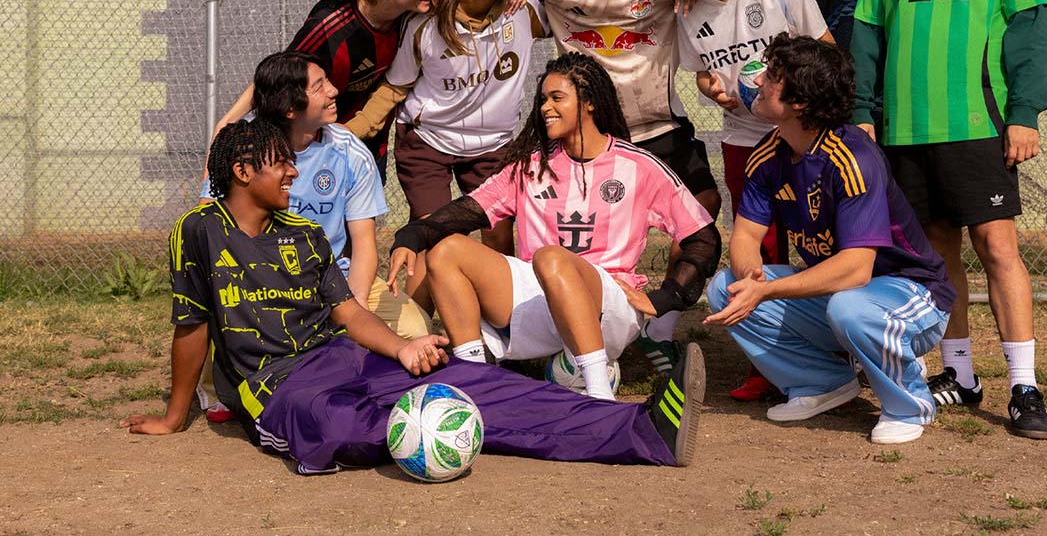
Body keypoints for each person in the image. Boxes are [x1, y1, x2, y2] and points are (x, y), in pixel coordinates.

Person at [121, 117, 707, 472]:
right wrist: (176, 417)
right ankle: (407, 425)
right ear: (244, 171)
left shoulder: (302, 235)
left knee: (478, 385)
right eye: (281, 165)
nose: (294, 174)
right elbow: (192, 325)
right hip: (277, 386)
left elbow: (347, 311)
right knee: (333, 429)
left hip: (346, 357)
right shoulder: (197, 230)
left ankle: (641, 431)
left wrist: (401, 350)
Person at [851, 0, 1047, 439]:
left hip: (976, 127)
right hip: (907, 132)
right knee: (940, 257)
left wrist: (1023, 113)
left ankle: (1024, 387)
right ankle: (959, 375)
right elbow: (869, 34)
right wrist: (862, 113)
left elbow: (1028, 29)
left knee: (998, 249)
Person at [387, 53, 721, 401]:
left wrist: (665, 298)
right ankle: (475, 385)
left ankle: (599, 396)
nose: (546, 107)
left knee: (551, 258)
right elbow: (468, 210)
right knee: (446, 250)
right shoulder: (530, 166)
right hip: (539, 297)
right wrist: (410, 237)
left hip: (606, 304)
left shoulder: (639, 166)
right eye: (543, 99)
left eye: (557, 98)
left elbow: (703, 236)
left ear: (589, 102)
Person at [705, 35, 954, 444]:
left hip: (915, 295)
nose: (759, 80)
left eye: (773, 76)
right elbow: (746, 235)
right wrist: (751, 282)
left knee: (850, 306)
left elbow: (857, 270)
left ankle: (909, 405)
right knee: (723, 289)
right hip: (846, 295)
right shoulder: (769, 153)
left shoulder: (853, 157)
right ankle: (821, 384)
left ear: (801, 102)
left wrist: (766, 293)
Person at [523, 0, 722, 372]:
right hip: (593, 139)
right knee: (574, 233)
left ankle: (659, 327)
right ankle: (560, 328)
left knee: (704, 211)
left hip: (659, 127)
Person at [197, 52, 434, 423]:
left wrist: (352, 314)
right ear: (291, 107)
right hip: (258, 281)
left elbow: (365, 247)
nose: (335, 90)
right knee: (226, 333)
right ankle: (218, 388)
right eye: (320, 85)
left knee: (415, 328)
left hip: (333, 279)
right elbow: (214, 233)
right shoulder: (243, 149)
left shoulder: (349, 152)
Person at [657, 0, 832, 402]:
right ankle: (771, 362)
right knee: (760, 245)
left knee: (822, 241)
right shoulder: (686, 4)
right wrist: (713, 87)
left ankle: (838, 347)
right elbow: (704, 70)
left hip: (802, 135)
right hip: (743, 137)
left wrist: (808, 108)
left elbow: (825, 46)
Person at [354, 0, 548, 311]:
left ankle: (506, 330)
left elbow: (574, 5)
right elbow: (396, 87)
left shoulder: (525, 6)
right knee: (432, 236)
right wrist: (348, 131)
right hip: (428, 142)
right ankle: (420, 333)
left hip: (494, 144)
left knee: (498, 233)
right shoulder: (425, 23)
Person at [210, 0, 438, 179]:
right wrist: (229, 120)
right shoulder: (332, 23)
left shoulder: (412, 15)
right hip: (321, 143)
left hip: (367, 143)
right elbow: (281, 75)